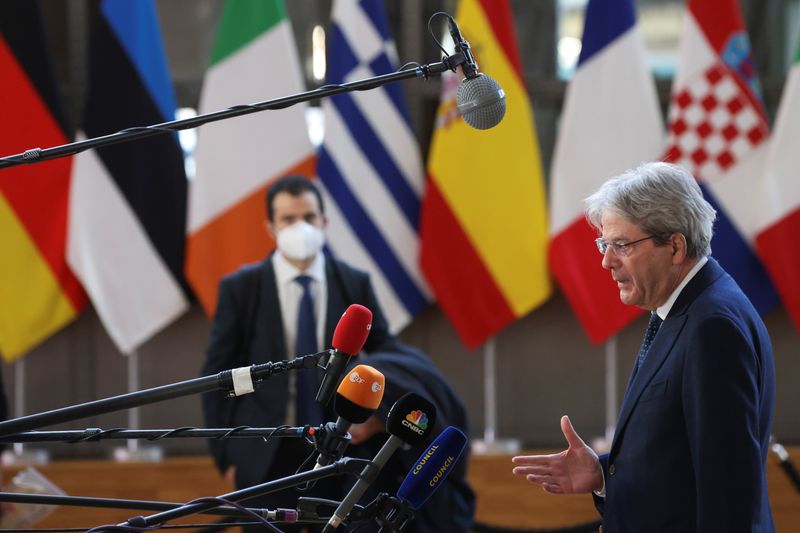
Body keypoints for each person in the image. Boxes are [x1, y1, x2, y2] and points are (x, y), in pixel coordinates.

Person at [512, 162, 776, 532]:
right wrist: (604, 475)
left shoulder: (713, 327)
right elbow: (678, 460)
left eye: (621, 245)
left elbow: (728, 489)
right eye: (605, 244)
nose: (606, 261)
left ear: (675, 246)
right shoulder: (687, 309)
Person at [201, 175, 473, 532]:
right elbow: (217, 374)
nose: (301, 227)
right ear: (270, 227)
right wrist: (226, 455)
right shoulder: (241, 287)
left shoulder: (353, 281)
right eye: (288, 219)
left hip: (340, 448)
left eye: (309, 217)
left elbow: (386, 353)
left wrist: (375, 416)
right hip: (264, 456)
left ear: (324, 222)